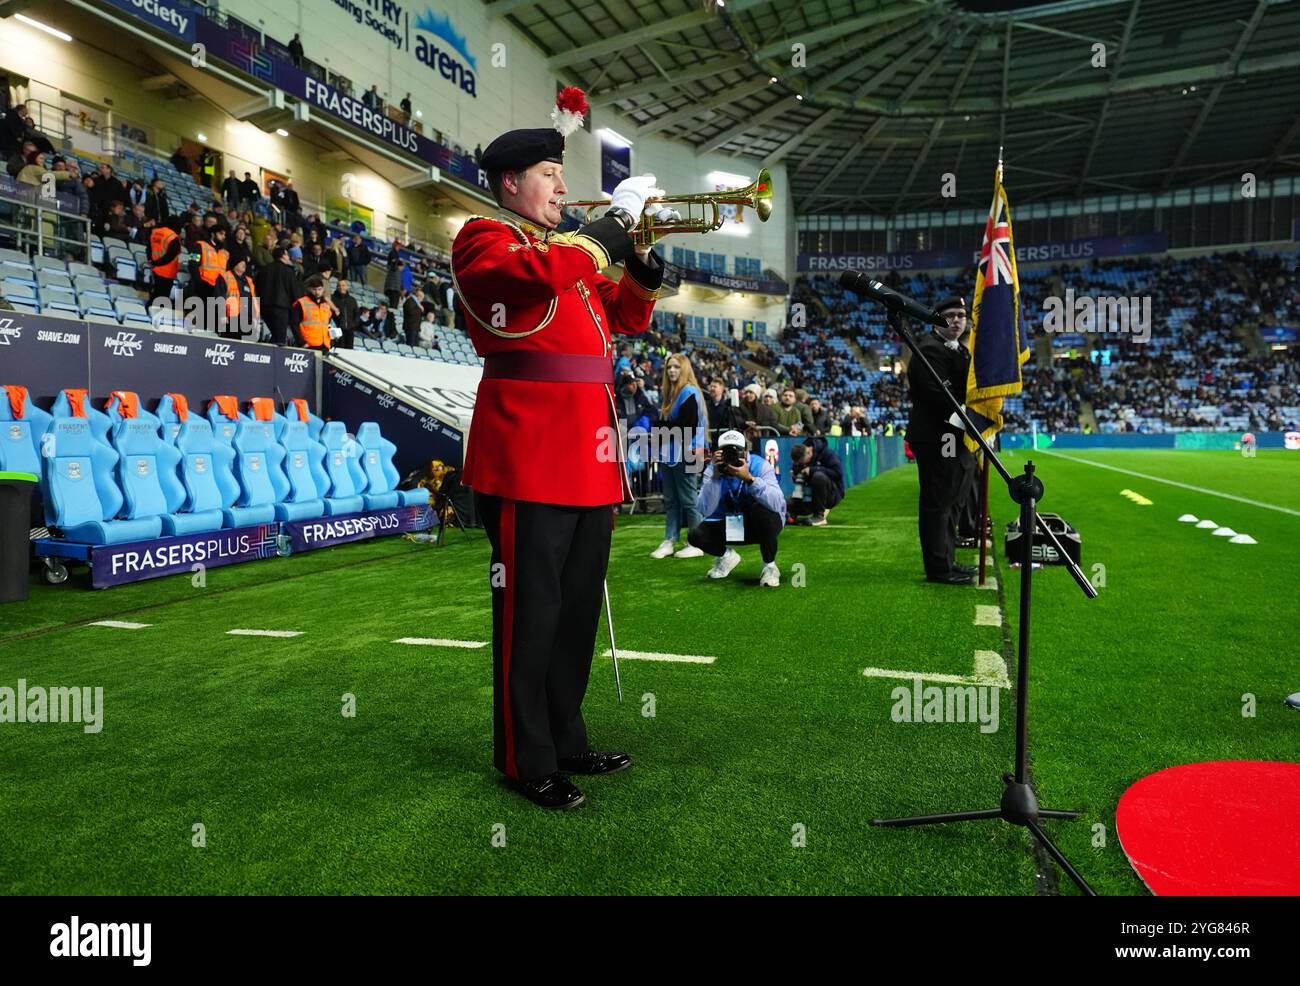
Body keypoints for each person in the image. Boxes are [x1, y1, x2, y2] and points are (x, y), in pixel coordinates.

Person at [453, 89, 667, 810]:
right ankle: (524, 758)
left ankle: (567, 738)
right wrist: (612, 225)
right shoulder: (485, 238)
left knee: (575, 613)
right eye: (549, 173)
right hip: (528, 458)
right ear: (511, 183)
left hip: (587, 459)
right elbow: (538, 279)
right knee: (529, 616)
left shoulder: (566, 254)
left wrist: (641, 254)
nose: (562, 187)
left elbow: (626, 316)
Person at [907, 294, 978, 585]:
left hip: (953, 436)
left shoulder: (957, 350)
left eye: (961, 316)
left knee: (953, 502)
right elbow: (938, 397)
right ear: (936, 320)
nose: (957, 321)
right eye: (950, 316)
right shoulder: (929, 349)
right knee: (939, 503)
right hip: (939, 438)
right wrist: (972, 421)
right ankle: (939, 567)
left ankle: (947, 560)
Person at [687, 429, 786, 587]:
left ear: (746, 452)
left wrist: (750, 479)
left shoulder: (760, 466)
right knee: (695, 535)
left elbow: (778, 503)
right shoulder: (714, 470)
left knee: (762, 512)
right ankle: (727, 557)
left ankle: (770, 566)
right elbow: (704, 509)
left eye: (737, 451)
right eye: (727, 451)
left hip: (759, 524)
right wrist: (715, 478)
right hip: (730, 525)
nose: (732, 456)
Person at [649, 353, 706, 560]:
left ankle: (698, 541)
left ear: (684, 369)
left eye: (676, 367)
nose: (671, 370)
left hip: (689, 452)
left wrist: (660, 428)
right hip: (671, 453)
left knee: (689, 499)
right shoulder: (671, 393)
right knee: (672, 500)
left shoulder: (688, 392)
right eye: (669, 367)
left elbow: (687, 428)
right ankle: (670, 540)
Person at [788, 437, 844, 526]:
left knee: (818, 477)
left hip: (832, 494)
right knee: (786, 503)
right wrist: (795, 476)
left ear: (809, 452)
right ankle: (790, 515)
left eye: (803, 462)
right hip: (808, 494)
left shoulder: (828, 454)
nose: (802, 464)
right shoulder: (800, 457)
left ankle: (819, 516)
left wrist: (813, 470)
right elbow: (798, 479)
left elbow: (838, 473)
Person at [256, 246, 301, 345]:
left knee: (275, 335)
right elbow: (294, 291)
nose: (288, 257)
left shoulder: (264, 269)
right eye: (287, 254)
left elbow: (257, 287)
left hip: (264, 307)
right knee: (280, 338)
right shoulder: (288, 271)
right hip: (281, 308)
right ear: (283, 255)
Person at [291, 275, 334, 351]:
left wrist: (331, 340)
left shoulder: (326, 305)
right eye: (314, 289)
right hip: (308, 345)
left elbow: (328, 325)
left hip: (325, 345)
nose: (317, 292)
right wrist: (301, 342)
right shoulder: (302, 303)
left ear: (323, 289)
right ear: (309, 289)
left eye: (319, 289)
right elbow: (294, 324)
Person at [219, 257, 258, 339]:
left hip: (247, 320)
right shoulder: (225, 277)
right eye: (241, 262)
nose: (244, 264)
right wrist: (222, 315)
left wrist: (255, 318)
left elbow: (254, 300)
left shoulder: (249, 281)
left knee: (245, 348)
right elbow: (220, 297)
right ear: (234, 264)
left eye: (244, 262)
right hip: (231, 319)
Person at [148, 217, 182, 305]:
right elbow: (170, 256)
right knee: (162, 297)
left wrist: (152, 262)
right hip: (167, 271)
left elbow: (148, 248)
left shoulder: (155, 232)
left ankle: (148, 312)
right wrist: (156, 263)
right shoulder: (173, 237)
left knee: (156, 294)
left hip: (155, 269)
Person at [703, 377, 742, 446]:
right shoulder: (705, 405)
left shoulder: (727, 406)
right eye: (711, 386)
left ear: (721, 389)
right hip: (708, 441)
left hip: (722, 442)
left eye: (715, 387)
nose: (712, 389)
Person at [332, 278, 360, 350]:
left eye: (343, 285)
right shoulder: (332, 299)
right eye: (339, 285)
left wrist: (353, 325)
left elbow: (356, 314)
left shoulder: (352, 300)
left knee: (349, 351)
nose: (341, 287)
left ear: (347, 287)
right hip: (337, 330)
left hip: (349, 331)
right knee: (337, 350)